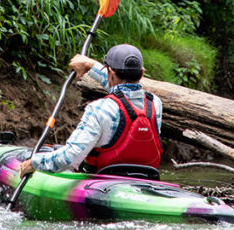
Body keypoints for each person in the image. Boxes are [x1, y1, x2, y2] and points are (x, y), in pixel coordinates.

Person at [18, 44, 163, 179]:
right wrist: (89, 65)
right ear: (142, 73)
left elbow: (70, 158)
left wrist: (34, 163)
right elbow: (124, 93)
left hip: (103, 183)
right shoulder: (155, 104)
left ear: (111, 73)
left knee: (53, 152)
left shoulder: (99, 108)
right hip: (146, 180)